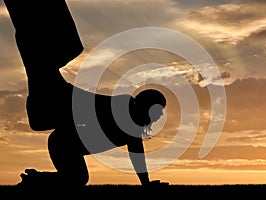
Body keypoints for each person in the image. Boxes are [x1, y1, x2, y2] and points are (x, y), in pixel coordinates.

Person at [4, 0, 169, 190]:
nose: (159, 116)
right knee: (49, 49)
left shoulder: (131, 129)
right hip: (58, 101)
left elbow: (136, 156)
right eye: (158, 109)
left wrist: (146, 184)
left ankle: (34, 180)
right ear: (145, 106)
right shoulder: (123, 108)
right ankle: (34, 180)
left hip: (62, 137)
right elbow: (90, 103)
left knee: (76, 179)